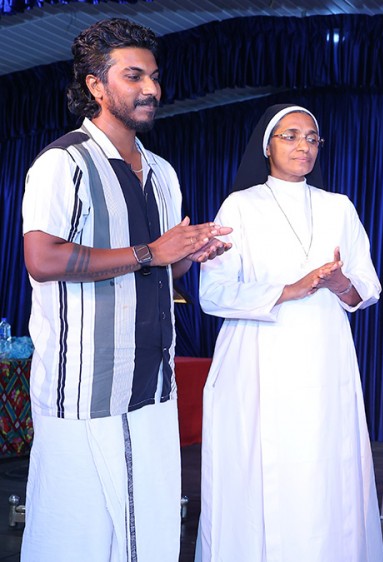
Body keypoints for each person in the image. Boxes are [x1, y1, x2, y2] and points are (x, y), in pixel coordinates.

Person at [20, 18, 231, 562]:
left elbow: (166, 271)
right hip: (83, 386)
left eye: (155, 77)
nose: (152, 89)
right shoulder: (62, 162)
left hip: (153, 381)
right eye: (134, 75)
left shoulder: (162, 171)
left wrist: (187, 255)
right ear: (95, 85)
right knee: (76, 532)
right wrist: (151, 253)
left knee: (152, 525)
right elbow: (41, 259)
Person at [197, 104, 383, 561]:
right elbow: (214, 293)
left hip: (325, 355)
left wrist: (342, 285)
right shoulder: (240, 206)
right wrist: (291, 288)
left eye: (312, 138)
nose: (304, 145)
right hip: (259, 356)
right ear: (268, 146)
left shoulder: (338, 207)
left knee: (324, 467)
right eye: (291, 136)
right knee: (266, 469)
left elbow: (368, 287)